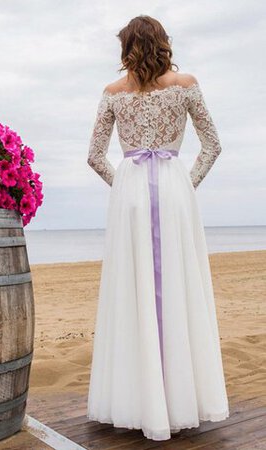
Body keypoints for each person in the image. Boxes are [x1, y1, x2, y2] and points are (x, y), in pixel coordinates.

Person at [86, 14, 229, 441]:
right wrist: (185, 184)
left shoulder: (112, 93)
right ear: (164, 43)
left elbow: (95, 155)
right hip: (173, 194)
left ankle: (137, 398)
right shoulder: (185, 85)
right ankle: (180, 396)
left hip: (130, 197)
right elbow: (212, 144)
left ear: (125, 47)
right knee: (179, 287)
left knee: (132, 291)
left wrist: (125, 186)